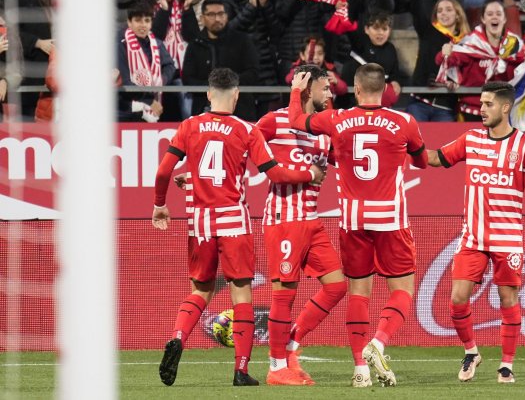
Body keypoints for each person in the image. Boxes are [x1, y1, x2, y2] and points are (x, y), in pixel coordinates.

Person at [152, 68, 324, 387]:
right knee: (241, 292)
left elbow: (163, 171)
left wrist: (160, 203)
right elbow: (276, 175)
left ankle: (177, 337)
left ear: (207, 94)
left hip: (200, 221)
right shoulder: (246, 130)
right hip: (233, 220)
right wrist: (309, 175)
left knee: (201, 290)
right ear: (236, 95)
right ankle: (241, 370)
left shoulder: (189, 125)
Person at [288, 63, 429, 388]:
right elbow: (421, 161)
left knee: (358, 293)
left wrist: (296, 90)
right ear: (385, 90)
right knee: (403, 291)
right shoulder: (404, 121)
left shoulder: (338, 119)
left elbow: (297, 122)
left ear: (356, 87)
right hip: (390, 218)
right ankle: (378, 343)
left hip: (352, 219)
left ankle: (360, 372)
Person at [426, 81, 525, 384]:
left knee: (508, 298)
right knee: (457, 299)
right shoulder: (470, 139)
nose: (481, 109)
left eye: (488, 104)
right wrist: (408, 148)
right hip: (472, 237)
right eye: (481, 104)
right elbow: (437, 158)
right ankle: (471, 351)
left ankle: (506, 365)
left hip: (507, 238)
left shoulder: (524, 145)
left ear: (506, 107)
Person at [257, 64, 347, 386]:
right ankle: (276, 366)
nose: (330, 93)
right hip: (283, 220)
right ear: (308, 88)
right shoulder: (276, 120)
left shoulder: (322, 128)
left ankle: (291, 343)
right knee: (284, 295)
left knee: (337, 285)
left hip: (312, 220)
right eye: (325, 88)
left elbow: (345, 153)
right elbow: (241, 149)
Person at [435, 0, 525, 121]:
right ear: (483, 19)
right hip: (474, 111)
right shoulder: (472, 43)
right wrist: (445, 54)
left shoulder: (515, 45)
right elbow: (444, 60)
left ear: (504, 19)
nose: (494, 17)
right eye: (490, 14)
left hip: (505, 112)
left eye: (498, 14)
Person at [181, 0, 258, 120]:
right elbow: (188, 78)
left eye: (220, 14)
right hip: (203, 112)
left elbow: (253, 73)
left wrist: (227, 84)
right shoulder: (195, 45)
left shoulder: (243, 41)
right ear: (202, 18)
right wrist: (214, 87)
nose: (217, 19)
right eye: (211, 14)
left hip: (240, 111)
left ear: (227, 16)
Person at [407, 0, 470, 122]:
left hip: (445, 107)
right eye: (439, 11)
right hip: (420, 103)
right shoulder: (427, 31)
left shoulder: (467, 42)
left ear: (458, 15)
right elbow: (417, 11)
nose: (443, 13)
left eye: (448, 10)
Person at [117, 2, 176, 122]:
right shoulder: (120, 45)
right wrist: (149, 101)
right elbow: (125, 83)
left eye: (147, 20)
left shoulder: (157, 44)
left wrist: (161, 80)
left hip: (154, 108)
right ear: (129, 22)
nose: (143, 25)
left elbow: (170, 66)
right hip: (125, 110)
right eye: (138, 20)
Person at [340, 10, 402, 109]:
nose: (380, 33)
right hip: (351, 101)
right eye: (376, 28)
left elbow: (394, 73)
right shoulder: (359, 43)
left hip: (378, 104)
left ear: (390, 31)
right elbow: (349, 24)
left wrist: (395, 81)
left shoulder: (391, 49)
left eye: (384, 29)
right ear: (366, 29)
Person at [284, 36, 348, 107]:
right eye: (312, 54)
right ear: (302, 55)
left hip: (325, 108)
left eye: (320, 53)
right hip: (304, 108)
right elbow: (288, 79)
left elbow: (343, 89)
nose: (316, 57)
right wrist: (300, 74)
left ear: (324, 54)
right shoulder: (298, 68)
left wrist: (336, 82)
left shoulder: (329, 70)